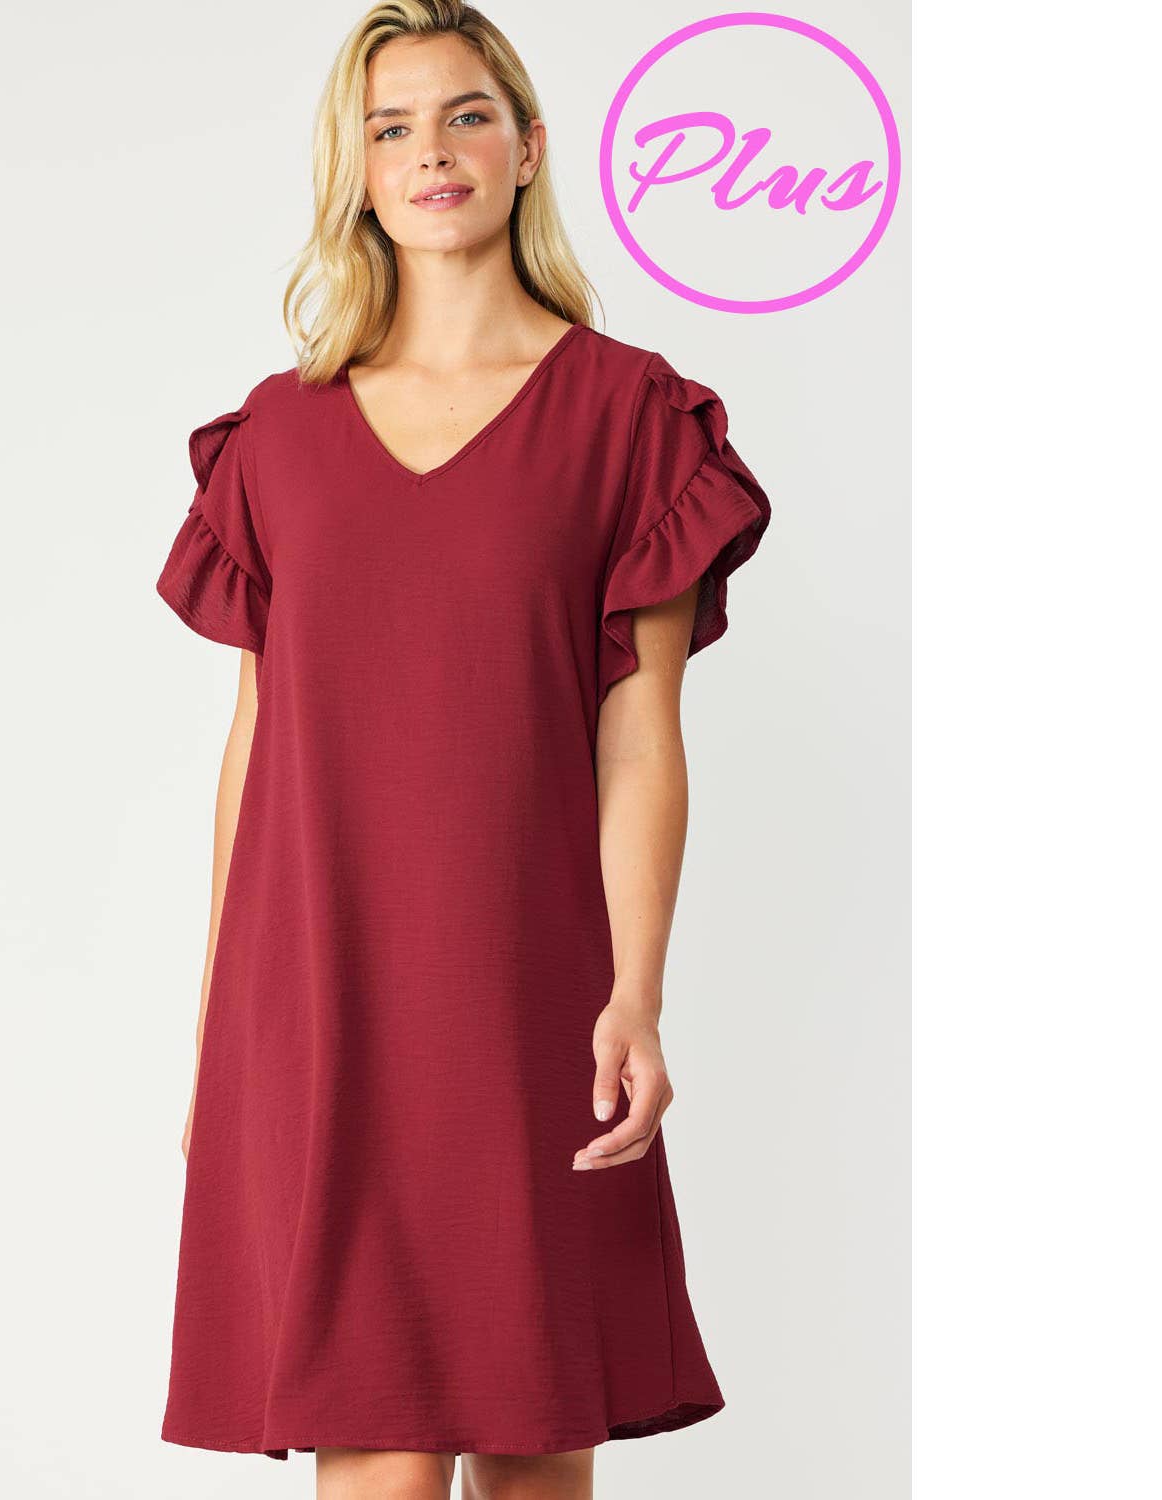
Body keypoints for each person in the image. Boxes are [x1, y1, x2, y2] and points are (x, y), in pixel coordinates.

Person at [154, 5, 771, 1496]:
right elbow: (256, 747)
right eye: (392, 127)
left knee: (532, 1445)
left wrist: (635, 994)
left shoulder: (631, 417)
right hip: (320, 1002)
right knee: (372, 1454)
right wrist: (221, 1033)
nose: (432, 151)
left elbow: (640, 739)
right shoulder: (277, 438)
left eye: (466, 115)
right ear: (358, 173)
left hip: (529, 998)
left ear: (528, 148)